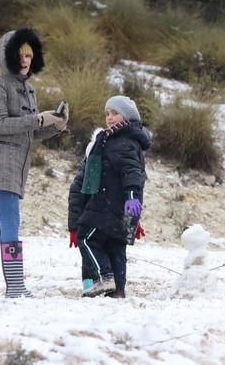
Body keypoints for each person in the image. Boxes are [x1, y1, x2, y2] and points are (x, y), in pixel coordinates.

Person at [0, 27, 68, 298]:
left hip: (16, 167)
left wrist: (56, 125)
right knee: (10, 225)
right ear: (7, 56)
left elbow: (30, 131)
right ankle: (16, 288)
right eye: (19, 55)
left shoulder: (29, 89)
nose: (25, 60)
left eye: (29, 55)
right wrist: (38, 119)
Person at [67, 95, 151, 298]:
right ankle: (118, 290)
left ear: (128, 117)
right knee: (115, 247)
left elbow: (132, 173)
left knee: (86, 238)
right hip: (118, 207)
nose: (110, 117)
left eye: (115, 113)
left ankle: (104, 277)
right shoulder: (115, 141)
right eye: (107, 113)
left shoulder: (121, 142)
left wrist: (132, 198)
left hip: (107, 204)